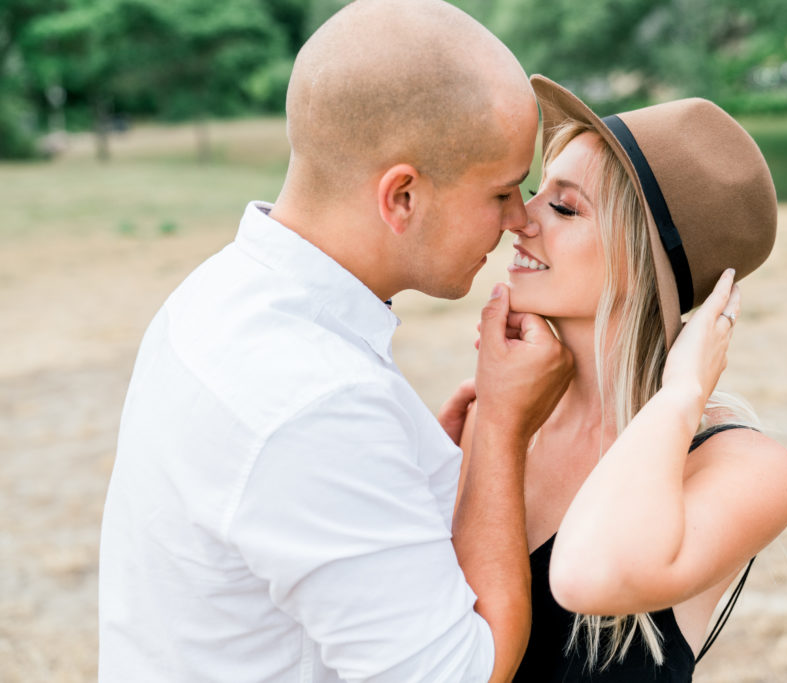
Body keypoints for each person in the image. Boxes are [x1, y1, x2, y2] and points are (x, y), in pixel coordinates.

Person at [97, 3, 573, 682]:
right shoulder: (312, 397)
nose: (519, 219)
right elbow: (465, 672)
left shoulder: (217, 294)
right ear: (402, 196)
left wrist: (415, 472)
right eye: (501, 192)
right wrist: (500, 427)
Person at [460, 76, 787, 682]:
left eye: (563, 207)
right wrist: (494, 429)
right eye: (539, 192)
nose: (518, 217)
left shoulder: (744, 468)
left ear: (641, 261)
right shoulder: (493, 423)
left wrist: (679, 397)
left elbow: (592, 574)